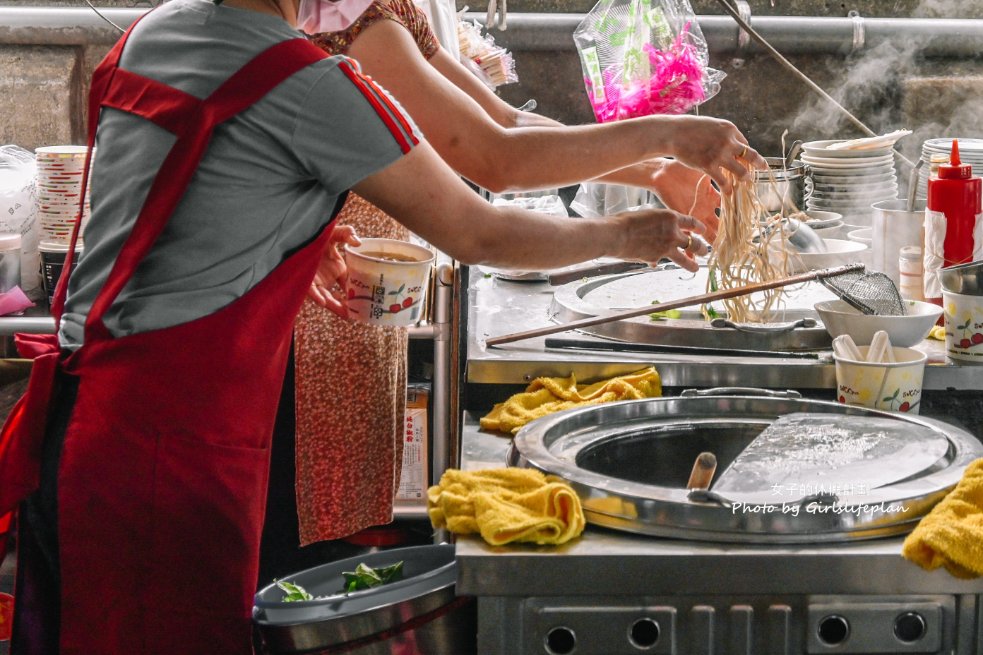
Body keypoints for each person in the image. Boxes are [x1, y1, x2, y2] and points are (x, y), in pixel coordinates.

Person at [1, 0, 762, 652]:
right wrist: (629, 235)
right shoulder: (303, 80)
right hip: (167, 457)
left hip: (80, 418)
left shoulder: (151, 33)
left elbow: (175, 193)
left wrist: (292, 231)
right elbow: (481, 225)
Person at [282, 0, 767, 560]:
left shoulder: (389, 12)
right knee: (303, 539)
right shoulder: (356, 27)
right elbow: (494, 160)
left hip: (362, 300)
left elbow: (506, 122)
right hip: (317, 312)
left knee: (337, 522)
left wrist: (655, 169)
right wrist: (665, 140)